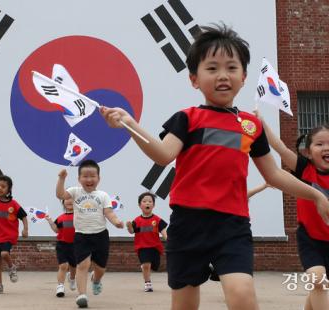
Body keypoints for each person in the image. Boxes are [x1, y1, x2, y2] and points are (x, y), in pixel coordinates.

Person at [100, 23, 329, 310]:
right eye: (212, 68)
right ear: (194, 79)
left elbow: (274, 174)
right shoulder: (187, 118)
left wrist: (317, 195)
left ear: (243, 77)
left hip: (231, 226)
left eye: (231, 68)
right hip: (187, 225)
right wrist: (129, 124)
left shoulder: (251, 126)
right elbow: (162, 154)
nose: (223, 75)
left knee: (243, 295)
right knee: (184, 304)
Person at [256, 112, 329, 310]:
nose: (326, 148)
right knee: (318, 279)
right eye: (320, 144)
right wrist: (262, 123)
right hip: (311, 239)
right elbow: (280, 148)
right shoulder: (305, 169)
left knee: (318, 286)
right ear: (308, 151)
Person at [56, 159, 124, 308]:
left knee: (101, 268)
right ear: (79, 179)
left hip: (100, 235)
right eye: (85, 176)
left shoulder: (103, 195)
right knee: (82, 265)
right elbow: (60, 195)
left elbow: (109, 212)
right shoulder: (74, 192)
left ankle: (97, 280)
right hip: (81, 235)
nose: (89, 179)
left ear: (98, 178)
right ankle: (82, 295)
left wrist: (116, 222)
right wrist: (61, 178)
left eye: (92, 176)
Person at [126, 192, 167, 292]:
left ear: (153, 205)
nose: (147, 203)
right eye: (144, 201)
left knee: (155, 267)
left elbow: (164, 231)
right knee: (146, 265)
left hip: (155, 247)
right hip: (142, 247)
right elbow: (132, 231)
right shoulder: (137, 220)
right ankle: (147, 283)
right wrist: (129, 226)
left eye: (150, 201)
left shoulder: (157, 219)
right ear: (140, 205)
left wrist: (167, 237)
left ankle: (145, 268)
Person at [46, 197, 77, 297]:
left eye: (72, 198)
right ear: (63, 202)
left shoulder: (80, 217)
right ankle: (60, 286)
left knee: (74, 266)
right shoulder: (60, 218)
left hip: (76, 245)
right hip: (62, 245)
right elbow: (56, 230)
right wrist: (50, 221)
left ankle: (72, 278)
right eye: (66, 199)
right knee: (63, 266)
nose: (69, 201)